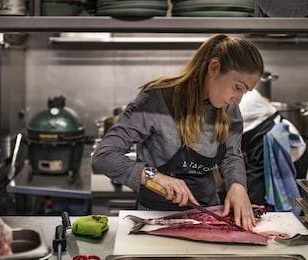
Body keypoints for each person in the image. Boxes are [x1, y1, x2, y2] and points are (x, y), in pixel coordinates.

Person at [92, 34, 264, 231]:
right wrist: (154, 176)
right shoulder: (157, 100)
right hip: (154, 218)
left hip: (207, 215)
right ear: (214, 69)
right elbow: (104, 156)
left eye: (245, 92)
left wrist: (237, 184)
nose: (238, 99)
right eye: (237, 87)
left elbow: (232, 155)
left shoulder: (229, 109)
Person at [239, 89, 306, 213]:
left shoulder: (232, 91)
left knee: (256, 202)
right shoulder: (242, 89)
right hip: (277, 139)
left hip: (280, 145)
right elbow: (265, 99)